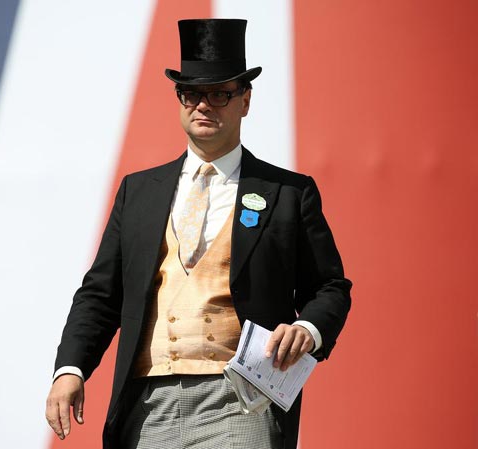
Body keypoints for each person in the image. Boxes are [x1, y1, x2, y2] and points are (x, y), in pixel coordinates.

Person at [46, 18, 351, 449]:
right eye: (191, 93)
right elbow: (100, 294)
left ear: (245, 100)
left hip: (242, 398)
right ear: (179, 100)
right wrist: (70, 370)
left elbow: (330, 287)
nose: (203, 105)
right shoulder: (139, 190)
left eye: (220, 93)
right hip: (149, 402)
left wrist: (309, 330)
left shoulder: (288, 193)